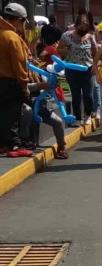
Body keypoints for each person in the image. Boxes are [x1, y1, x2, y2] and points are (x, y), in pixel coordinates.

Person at [0, 2, 34, 157]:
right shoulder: (12, 37)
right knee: (14, 114)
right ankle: (15, 145)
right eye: (24, 21)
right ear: (18, 20)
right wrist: (24, 84)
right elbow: (19, 63)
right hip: (10, 82)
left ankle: (4, 144)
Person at [60, 9, 97, 125]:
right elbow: (59, 50)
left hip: (87, 70)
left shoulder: (91, 37)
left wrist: (95, 66)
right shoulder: (67, 36)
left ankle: (88, 114)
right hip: (71, 70)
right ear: (77, 23)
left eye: (86, 23)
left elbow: (95, 53)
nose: (83, 25)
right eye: (81, 22)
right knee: (75, 94)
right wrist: (66, 50)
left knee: (88, 95)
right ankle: (77, 117)